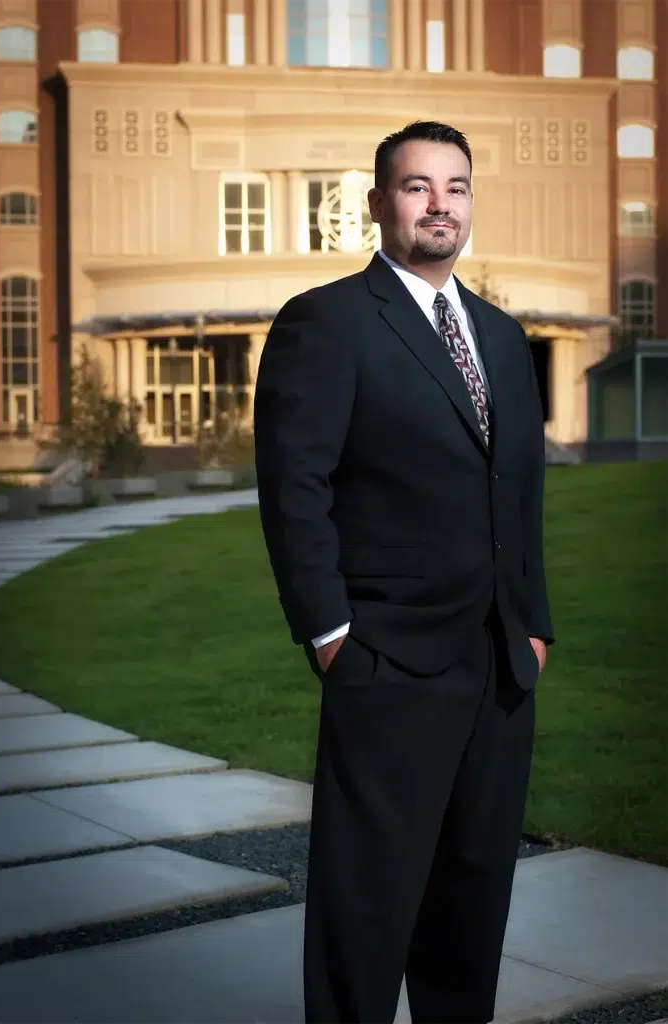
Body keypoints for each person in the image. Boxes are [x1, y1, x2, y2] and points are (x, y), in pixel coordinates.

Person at [253, 120, 554, 1024]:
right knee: (367, 913)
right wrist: (331, 635)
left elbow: (521, 495)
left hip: (499, 667)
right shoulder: (329, 321)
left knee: (471, 911)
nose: (438, 204)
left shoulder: (501, 336)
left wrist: (534, 630)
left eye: (455, 187)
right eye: (417, 187)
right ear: (379, 203)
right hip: (386, 663)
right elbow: (294, 486)